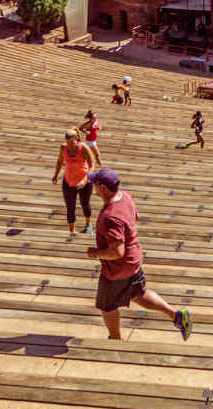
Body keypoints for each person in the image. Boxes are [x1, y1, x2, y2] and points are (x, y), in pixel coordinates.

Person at [85, 168, 192, 341]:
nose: (92, 186)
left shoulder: (110, 216)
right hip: (134, 259)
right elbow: (136, 216)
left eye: (95, 184)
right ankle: (176, 315)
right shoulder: (125, 196)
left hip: (117, 270)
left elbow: (117, 252)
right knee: (137, 293)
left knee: (107, 306)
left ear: (103, 188)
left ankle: (115, 340)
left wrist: (96, 253)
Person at [52, 128, 93, 235]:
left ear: (77, 139)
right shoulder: (63, 147)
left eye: (72, 143)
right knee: (70, 208)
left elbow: (92, 166)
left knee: (85, 204)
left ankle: (88, 224)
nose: (69, 145)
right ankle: (72, 231)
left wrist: (85, 180)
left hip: (84, 182)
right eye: (68, 143)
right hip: (68, 182)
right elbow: (60, 161)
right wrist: (56, 174)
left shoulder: (83, 148)